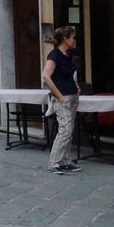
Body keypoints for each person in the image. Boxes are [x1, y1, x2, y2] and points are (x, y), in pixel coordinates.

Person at [43, 25, 81, 174]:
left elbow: (69, 75)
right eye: (72, 37)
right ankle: (54, 162)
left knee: (69, 130)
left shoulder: (68, 55)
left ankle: (65, 161)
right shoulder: (54, 55)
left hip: (72, 96)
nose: (74, 40)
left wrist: (76, 86)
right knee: (64, 130)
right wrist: (59, 96)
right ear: (65, 39)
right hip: (62, 98)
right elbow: (46, 77)